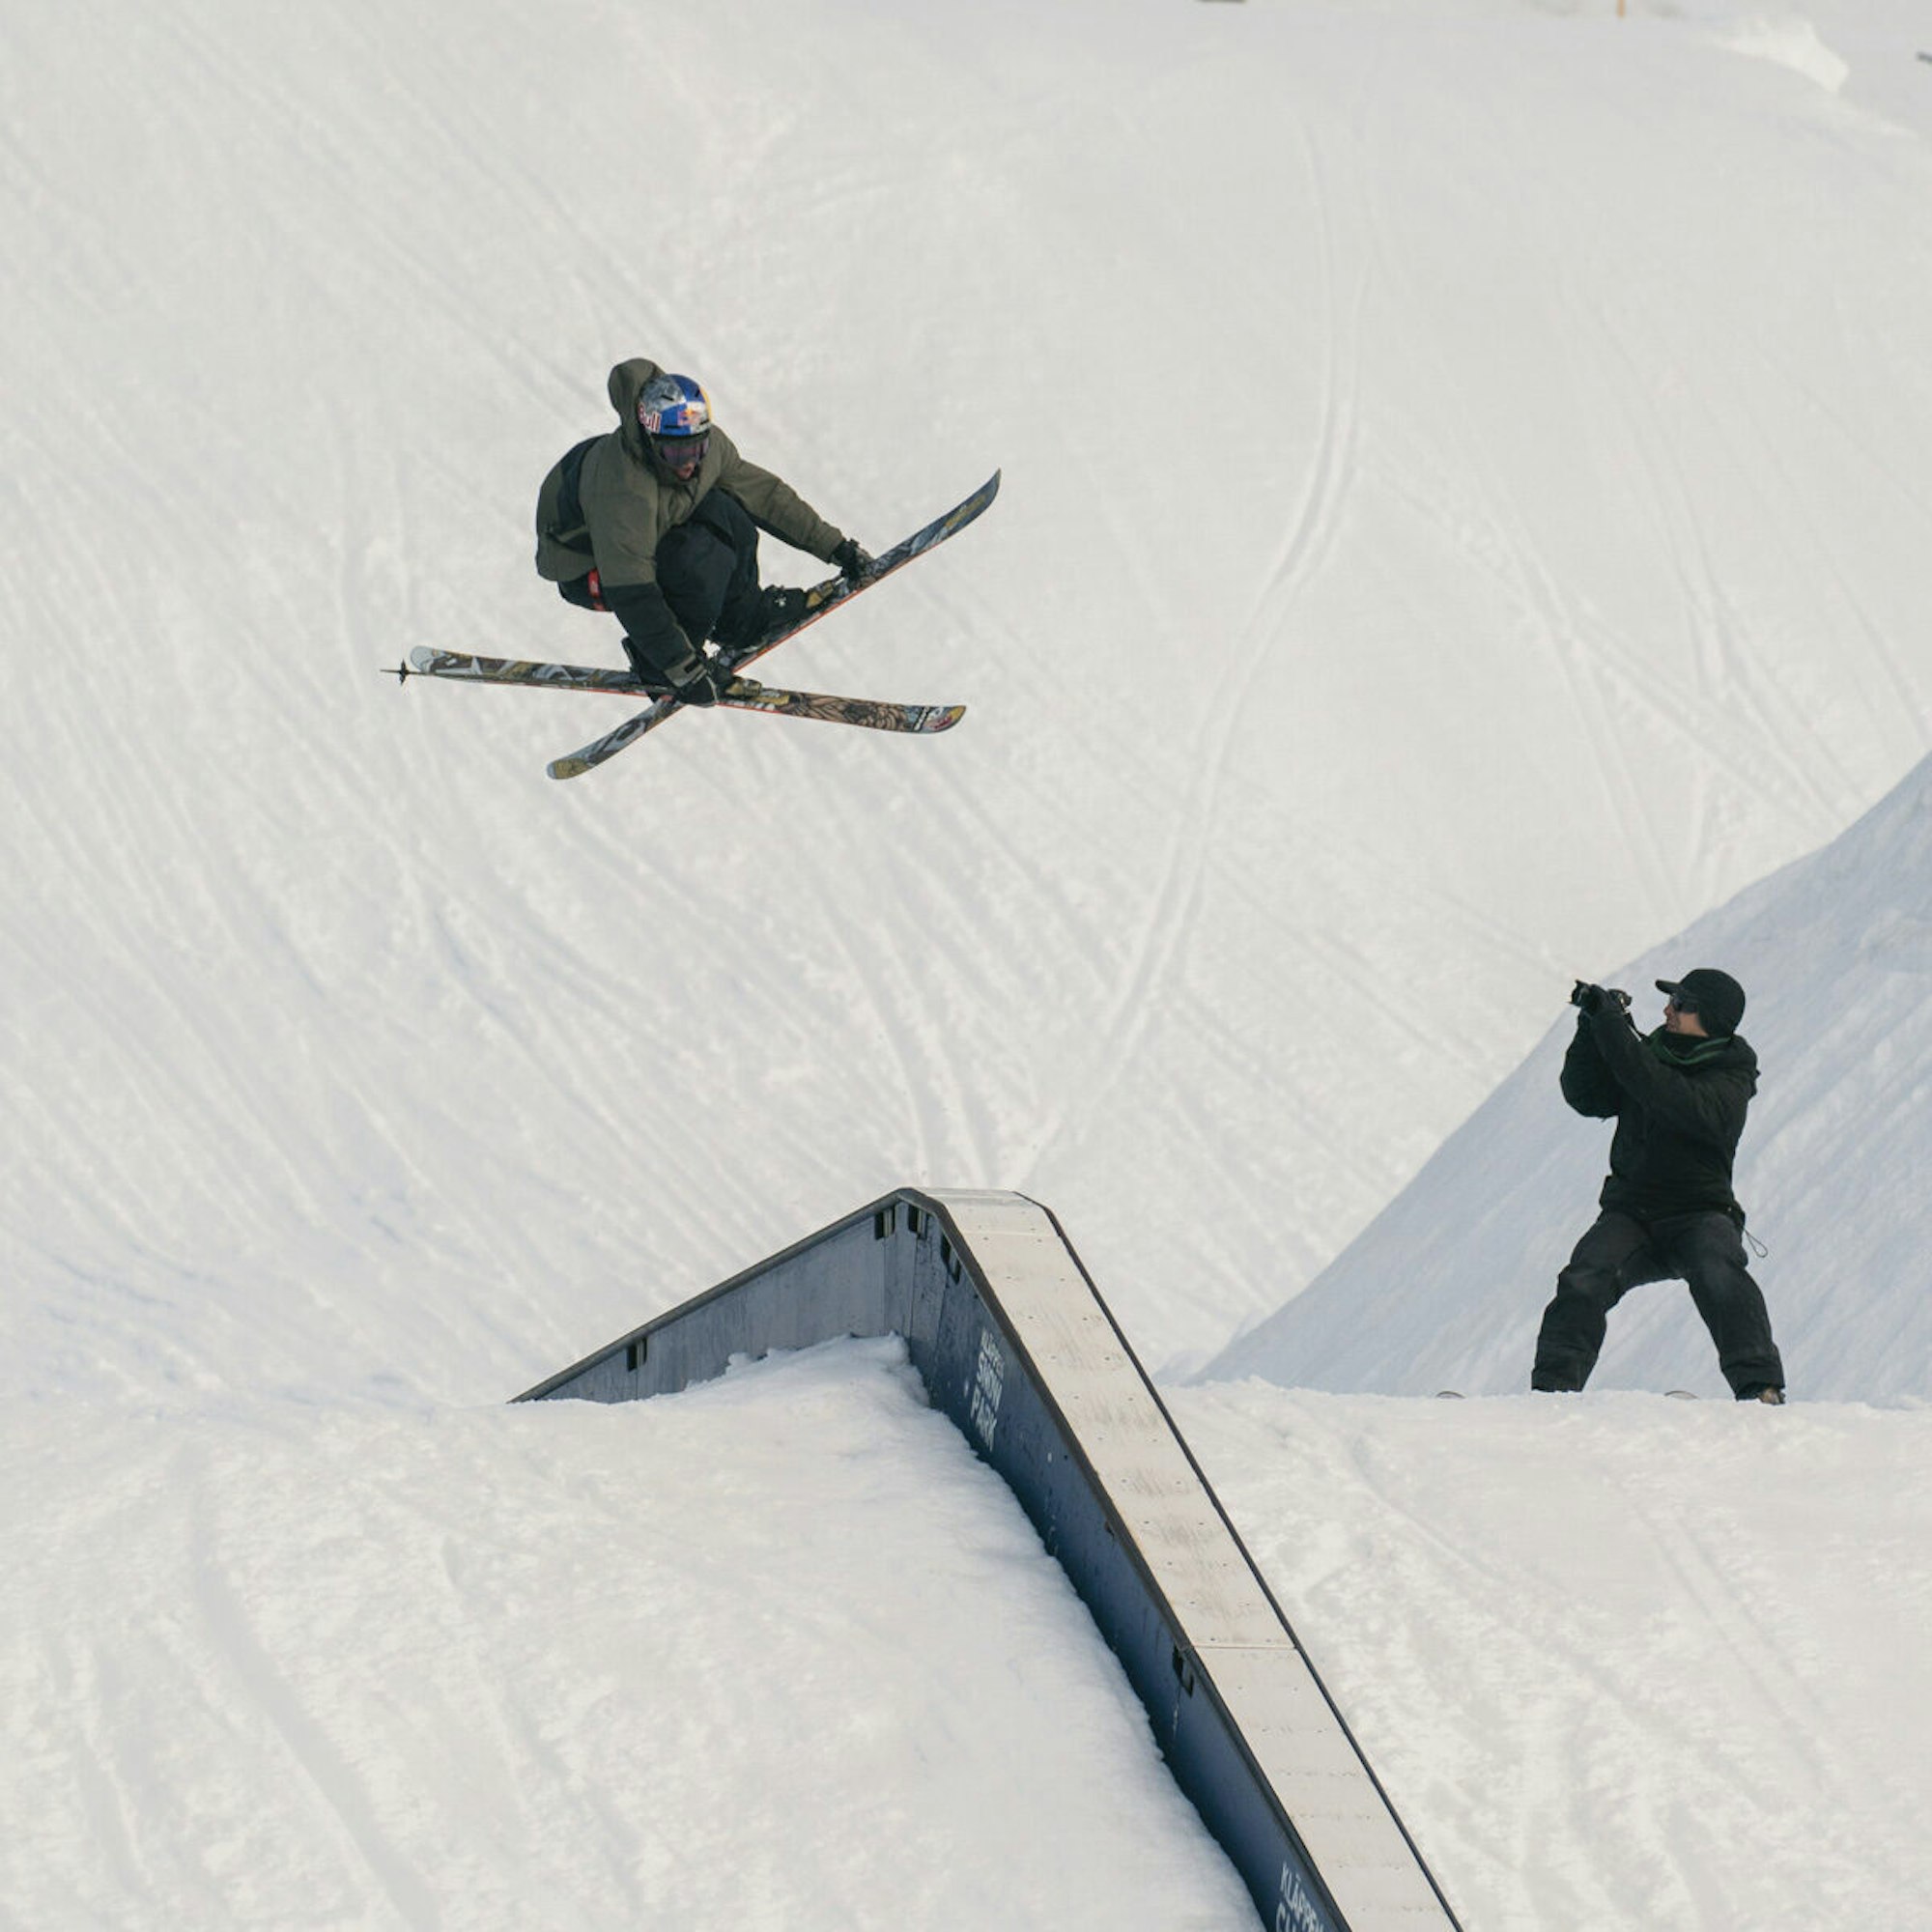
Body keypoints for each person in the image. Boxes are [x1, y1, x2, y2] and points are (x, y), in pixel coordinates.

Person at [533, 358, 871, 706]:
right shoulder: (624, 491)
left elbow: (766, 497)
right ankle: (657, 663)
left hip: (650, 533)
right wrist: (679, 667)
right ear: (651, 440)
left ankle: (740, 619)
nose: (689, 463)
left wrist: (835, 547)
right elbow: (632, 589)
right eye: (676, 452)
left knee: (731, 515)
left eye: (696, 448)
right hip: (589, 568)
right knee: (696, 561)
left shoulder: (705, 453)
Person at [1531, 968, 1787, 1403]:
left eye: (1683, 1004)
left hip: (1700, 1212)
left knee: (1719, 1272)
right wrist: (1590, 1029)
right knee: (1584, 1278)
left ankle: (1759, 1389)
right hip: (1631, 1212)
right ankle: (1553, 1393)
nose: (1669, 1009)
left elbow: (1666, 1096)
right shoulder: (1651, 1052)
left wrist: (1613, 1028)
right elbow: (1586, 1096)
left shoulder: (1731, 1077)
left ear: (1713, 1019)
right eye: (1672, 1000)